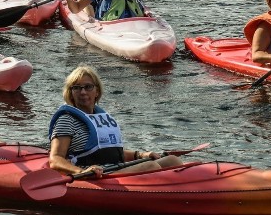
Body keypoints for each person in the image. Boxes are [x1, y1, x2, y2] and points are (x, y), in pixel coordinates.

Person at [48, 65, 185, 177]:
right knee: (151, 166)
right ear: (70, 93)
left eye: (88, 87)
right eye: (77, 88)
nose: (83, 92)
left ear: (97, 91)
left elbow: (110, 152)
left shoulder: (101, 117)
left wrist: (140, 154)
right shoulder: (66, 120)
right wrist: (81, 171)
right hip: (94, 174)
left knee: (173, 160)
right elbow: (55, 159)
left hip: (113, 168)